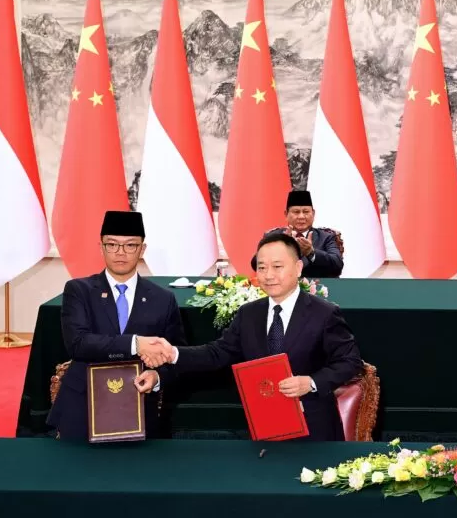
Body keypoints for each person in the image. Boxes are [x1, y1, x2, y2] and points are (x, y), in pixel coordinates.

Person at [140, 232, 363, 441]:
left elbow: (349, 361)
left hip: (314, 430)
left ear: (297, 268)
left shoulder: (324, 313)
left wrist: (311, 382)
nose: (268, 275)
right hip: (263, 427)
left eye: (277, 267)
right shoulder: (249, 313)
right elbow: (217, 353)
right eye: (262, 267)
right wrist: (173, 353)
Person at [47, 210, 185, 439]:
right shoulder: (78, 290)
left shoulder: (163, 299)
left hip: (139, 407)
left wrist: (157, 377)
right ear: (101, 247)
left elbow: (176, 356)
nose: (120, 252)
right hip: (83, 404)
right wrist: (135, 344)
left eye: (130, 245)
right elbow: (78, 344)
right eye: (112, 244)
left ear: (142, 249)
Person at [273, 189, 343, 278]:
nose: (301, 216)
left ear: (313, 214)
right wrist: (281, 246)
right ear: (286, 214)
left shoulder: (326, 237)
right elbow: (256, 262)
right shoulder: (274, 236)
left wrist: (311, 253)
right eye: (296, 212)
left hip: (317, 289)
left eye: (306, 212)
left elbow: (338, 265)